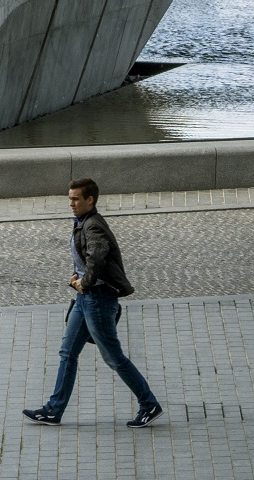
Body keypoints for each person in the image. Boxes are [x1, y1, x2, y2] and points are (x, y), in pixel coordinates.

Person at [22, 178, 163, 428]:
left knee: (113, 357)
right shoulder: (83, 223)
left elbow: (97, 257)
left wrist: (85, 282)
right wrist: (79, 277)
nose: (71, 203)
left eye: (76, 199)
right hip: (84, 299)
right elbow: (87, 259)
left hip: (97, 300)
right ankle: (54, 410)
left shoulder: (93, 226)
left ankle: (148, 404)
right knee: (68, 352)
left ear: (91, 200)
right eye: (69, 198)